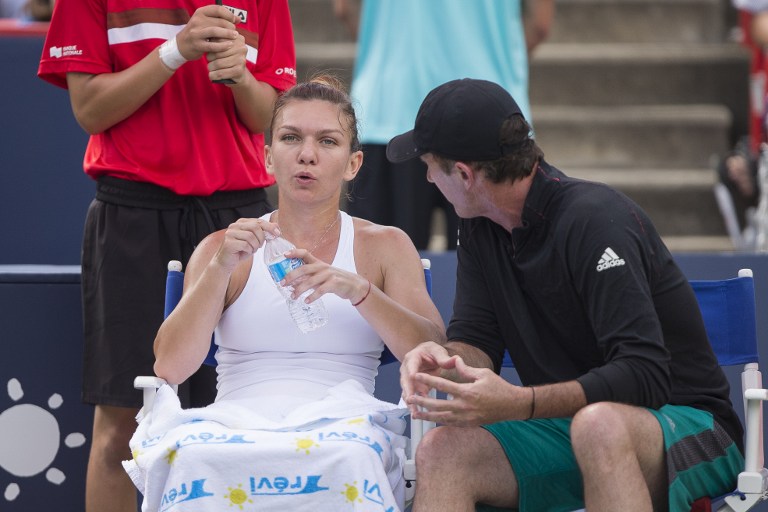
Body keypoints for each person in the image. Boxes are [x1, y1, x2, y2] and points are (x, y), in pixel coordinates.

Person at [389, 78, 745, 512]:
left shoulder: (596, 220)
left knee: (599, 427)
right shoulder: (479, 225)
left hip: (694, 427)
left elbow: (645, 375)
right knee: (442, 451)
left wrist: (521, 402)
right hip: (572, 428)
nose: (426, 177)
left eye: (429, 165)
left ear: (464, 174)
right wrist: (444, 363)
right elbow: (477, 338)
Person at [122, 76, 446, 511]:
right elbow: (172, 366)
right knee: (194, 455)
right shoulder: (225, 246)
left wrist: (361, 290)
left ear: (353, 163)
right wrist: (220, 269)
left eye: (327, 141)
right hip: (236, 415)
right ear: (268, 157)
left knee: (350, 455)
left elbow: (432, 351)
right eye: (291, 138)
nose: (306, 154)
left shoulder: (383, 245)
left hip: (346, 417)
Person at [36, 1, 296, 510]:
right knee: (123, 425)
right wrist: (175, 51)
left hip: (237, 219)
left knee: (241, 416)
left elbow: (268, 116)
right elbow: (89, 110)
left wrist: (241, 75)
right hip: (132, 214)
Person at [334, 0, 554, 250]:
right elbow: (540, 24)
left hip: (392, 101)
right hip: (491, 116)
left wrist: (386, 48)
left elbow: (345, 8)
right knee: (497, 275)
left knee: (380, 273)